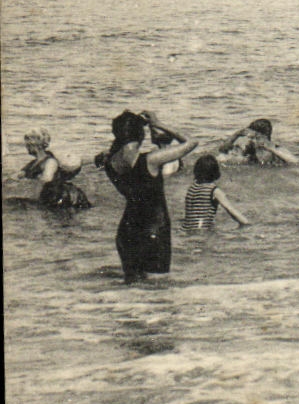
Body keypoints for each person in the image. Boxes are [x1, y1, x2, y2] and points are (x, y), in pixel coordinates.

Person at [104, 110, 195, 283]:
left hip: (127, 231)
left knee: (132, 288)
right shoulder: (151, 160)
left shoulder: (110, 163)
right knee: (157, 290)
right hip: (154, 229)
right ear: (141, 135)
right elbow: (191, 142)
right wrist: (157, 123)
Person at [22, 129, 91, 210]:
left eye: (28, 143)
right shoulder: (33, 163)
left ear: (36, 145)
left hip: (57, 194)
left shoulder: (50, 161)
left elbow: (46, 179)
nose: (26, 146)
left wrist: (35, 197)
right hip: (47, 194)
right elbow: (19, 174)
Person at [182, 154, 250, 232]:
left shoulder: (192, 188)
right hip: (202, 233)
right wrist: (247, 224)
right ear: (215, 172)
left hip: (185, 231)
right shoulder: (214, 191)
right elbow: (230, 209)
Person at [219, 119, 296, 165]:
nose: (250, 139)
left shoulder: (276, 149)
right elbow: (222, 151)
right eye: (251, 137)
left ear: (264, 137)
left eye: (255, 137)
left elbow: (294, 161)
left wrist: (270, 148)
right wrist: (237, 135)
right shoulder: (250, 149)